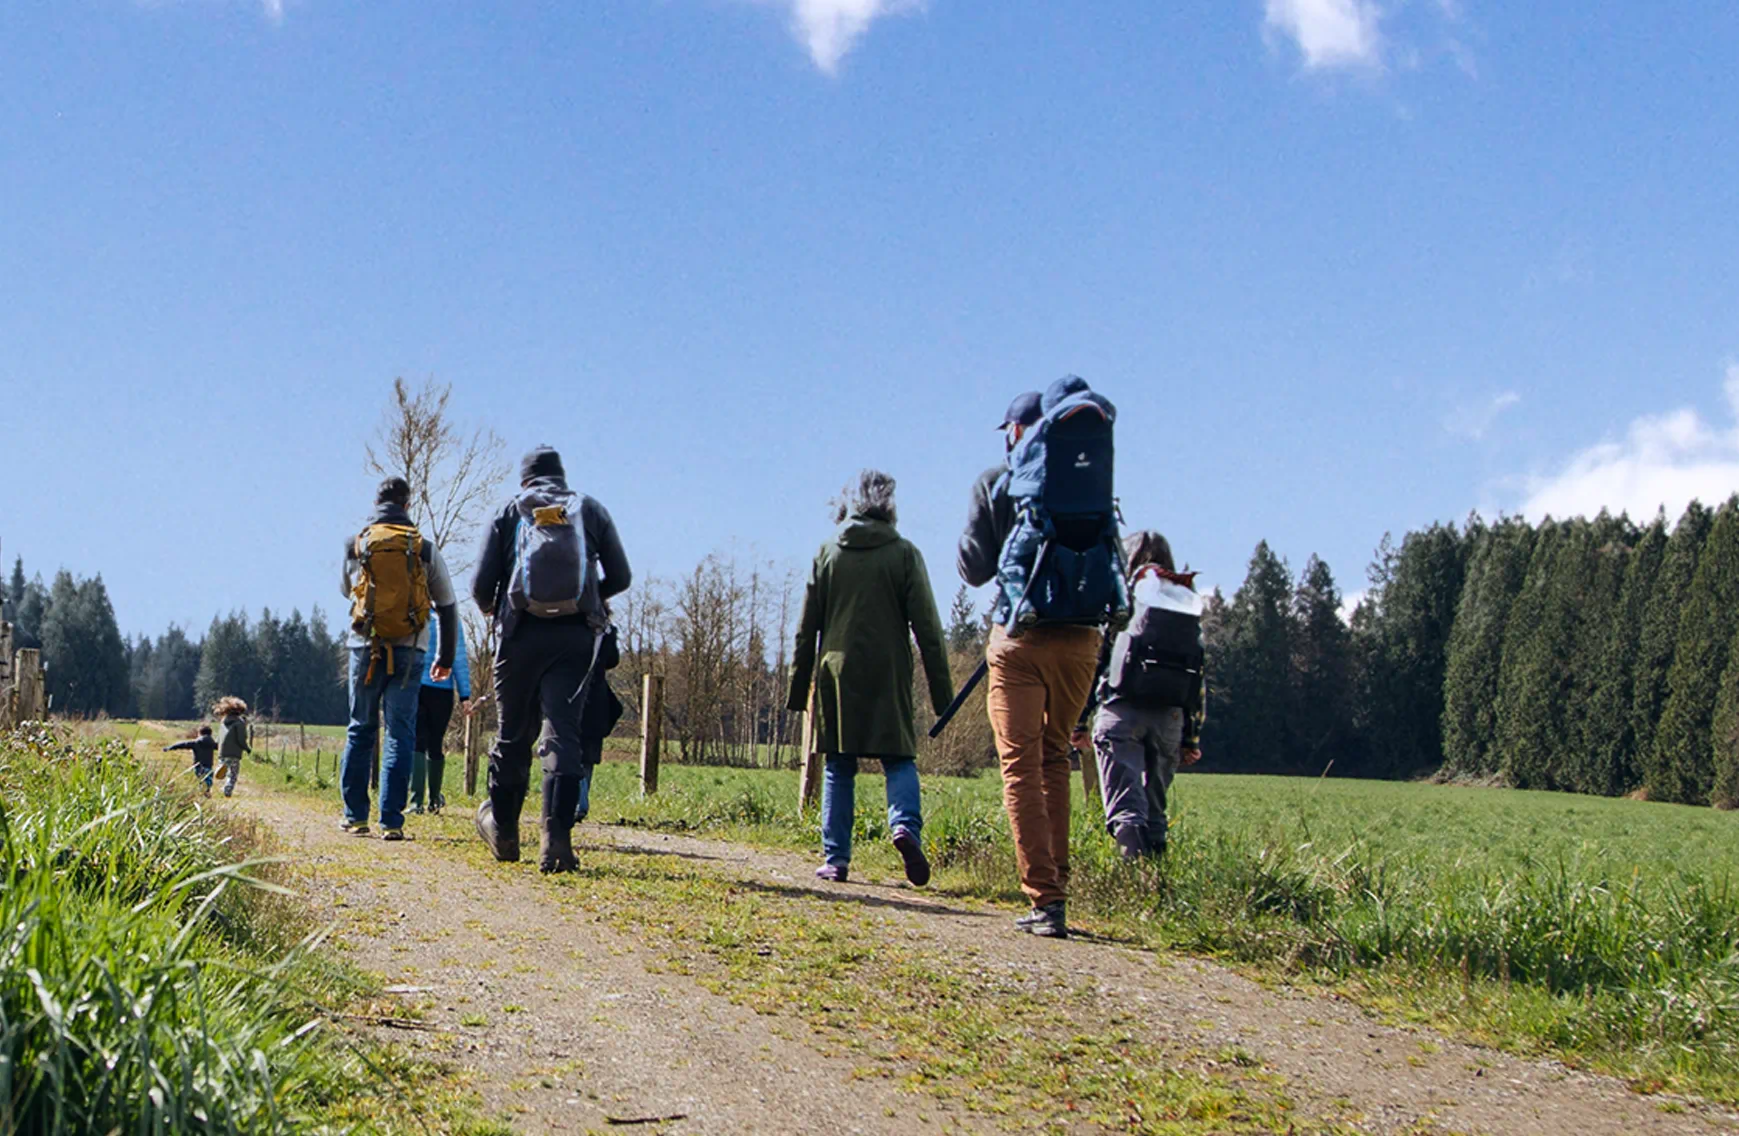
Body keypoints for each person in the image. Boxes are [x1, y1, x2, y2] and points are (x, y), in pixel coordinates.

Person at [957, 386, 1104, 939]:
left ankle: (1046, 900)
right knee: (1053, 760)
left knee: (1019, 766)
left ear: (1015, 431)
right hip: (1083, 641)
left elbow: (973, 569)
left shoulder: (998, 481)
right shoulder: (1088, 476)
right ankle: (1055, 890)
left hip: (1021, 638)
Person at [788, 470, 954, 886]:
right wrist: (943, 695)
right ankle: (904, 828)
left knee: (838, 765)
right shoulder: (904, 554)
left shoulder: (828, 552)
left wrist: (797, 686)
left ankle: (836, 858)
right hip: (889, 669)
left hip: (837, 672)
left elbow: (806, 628)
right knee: (898, 758)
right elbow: (929, 631)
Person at [472, 446, 632, 874]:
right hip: (577, 638)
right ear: (561, 477)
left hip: (520, 634)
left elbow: (480, 585)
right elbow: (621, 575)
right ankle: (556, 841)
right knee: (563, 733)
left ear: (525, 479)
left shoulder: (509, 511)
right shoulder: (589, 510)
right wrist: (586, 597)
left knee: (512, 733)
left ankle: (504, 831)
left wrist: (499, 607)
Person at [337, 476, 459, 841]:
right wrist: (447, 656)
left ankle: (355, 816)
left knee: (360, 728)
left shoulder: (355, 545)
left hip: (364, 647)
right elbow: (448, 605)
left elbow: (347, 591)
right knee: (400, 733)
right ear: (408, 506)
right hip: (411, 648)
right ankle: (392, 821)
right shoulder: (423, 549)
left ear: (375, 504)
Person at [1073, 531, 1204, 860]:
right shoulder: (1184, 600)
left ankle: (1131, 886)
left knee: (1125, 808)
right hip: (1170, 719)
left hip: (1121, 711)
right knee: (1155, 811)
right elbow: (1196, 672)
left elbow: (1098, 659)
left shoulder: (1123, 595)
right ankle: (1157, 892)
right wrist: (1191, 737)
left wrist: (1078, 721)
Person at [411, 614, 472, 815]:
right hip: (443, 690)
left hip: (416, 686)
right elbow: (459, 658)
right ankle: (434, 799)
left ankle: (415, 801)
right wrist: (465, 695)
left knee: (417, 742)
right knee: (435, 743)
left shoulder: (414, 614)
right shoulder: (451, 620)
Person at [572, 620, 623, 827]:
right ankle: (580, 803)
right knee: (587, 756)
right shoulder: (605, 629)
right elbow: (612, 660)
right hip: (597, 698)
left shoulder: (571, 625)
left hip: (573, 692)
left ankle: (578, 804)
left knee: (573, 752)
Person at [213, 697, 252, 798]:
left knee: (224, 765)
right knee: (233, 774)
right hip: (234, 751)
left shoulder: (223, 722)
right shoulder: (239, 723)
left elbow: (218, 737)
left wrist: (216, 745)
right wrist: (246, 748)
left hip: (222, 751)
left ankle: (220, 768)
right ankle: (228, 789)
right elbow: (241, 739)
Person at [165, 725, 218, 797]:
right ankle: (206, 791)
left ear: (199, 733)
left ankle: (203, 792)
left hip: (199, 765)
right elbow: (224, 749)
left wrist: (170, 747)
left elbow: (182, 744)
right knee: (208, 779)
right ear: (210, 734)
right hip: (209, 766)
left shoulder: (196, 743)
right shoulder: (213, 744)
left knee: (201, 779)